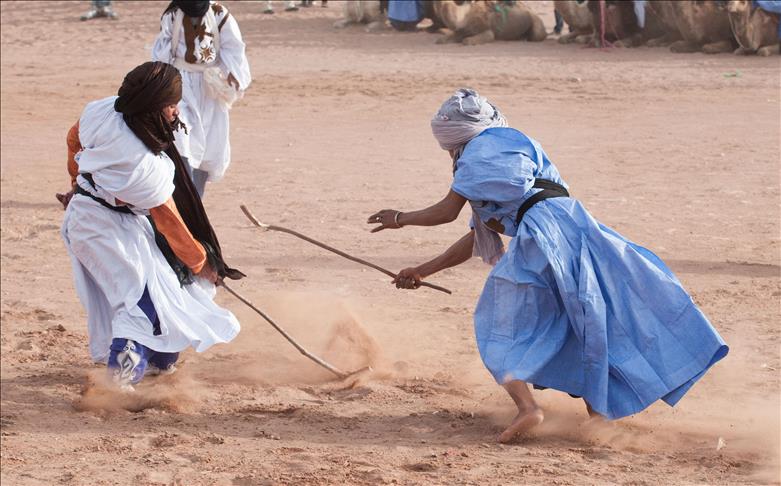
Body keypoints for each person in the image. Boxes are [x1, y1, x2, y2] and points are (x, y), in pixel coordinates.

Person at [368, 88, 728, 443]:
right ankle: (598, 417)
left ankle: (528, 409)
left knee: (498, 323)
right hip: (576, 227)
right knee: (583, 319)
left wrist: (399, 217)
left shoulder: (484, 151)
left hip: (542, 234)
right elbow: (475, 237)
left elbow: (447, 212)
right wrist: (421, 270)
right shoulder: (503, 156)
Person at [61, 61, 244, 390]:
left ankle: (158, 362)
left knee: (172, 289)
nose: (176, 113)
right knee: (141, 302)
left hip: (116, 220)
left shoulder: (102, 111)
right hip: (98, 228)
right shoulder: (141, 165)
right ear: (150, 106)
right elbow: (170, 221)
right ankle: (117, 386)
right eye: (171, 105)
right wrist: (203, 264)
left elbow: (73, 137)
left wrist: (77, 180)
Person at [152, 1, 251, 197]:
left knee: (209, 144)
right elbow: (162, 49)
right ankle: (183, 194)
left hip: (210, 89)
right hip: (180, 84)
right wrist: (161, 84)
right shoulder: (172, 15)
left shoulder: (219, 13)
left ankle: (196, 200)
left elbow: (234, 46)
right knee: (181, 136)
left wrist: (233, 73)